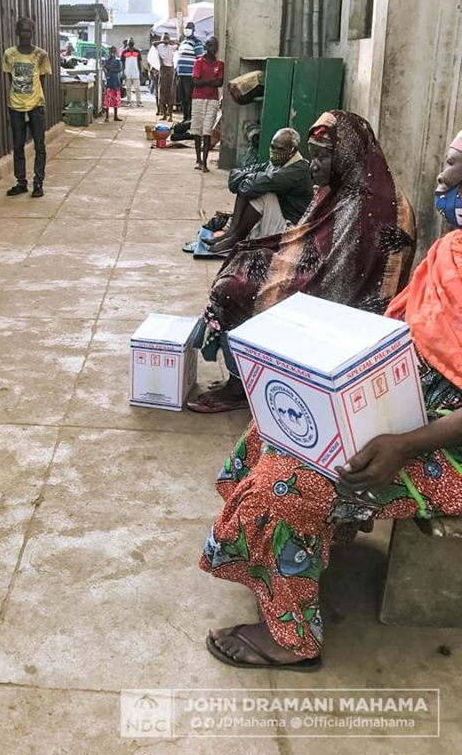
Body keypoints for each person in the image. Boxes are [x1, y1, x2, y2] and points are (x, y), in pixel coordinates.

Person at [201, 129, 462, 671]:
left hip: (444, 443)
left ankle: (292, 639)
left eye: (457, 167)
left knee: (291, 482)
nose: (443, 178)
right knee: (277, 425)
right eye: (446, 161)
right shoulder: (452, 250)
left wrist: (403, 442)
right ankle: (309, 546)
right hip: (411, 404)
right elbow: (404, 328)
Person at [187, 110, 416, 413]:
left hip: (344, 304)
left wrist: (280, 275)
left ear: (347, 155)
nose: (314, 165)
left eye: (323, 156)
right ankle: (243, 373)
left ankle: (240, 386)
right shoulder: (340, 189)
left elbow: (340, 280)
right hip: (319, 275)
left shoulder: (372, 205)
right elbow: (308, 239)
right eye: (313, 155)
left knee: (234, 290)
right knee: (243, 257)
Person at [203, 127, 313, 252]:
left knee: (262, 193)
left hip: (292, 230)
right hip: (278, 220)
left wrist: (248, 178)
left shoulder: (298, 170)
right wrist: (249, 178)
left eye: (280, 149)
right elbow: (234, 177)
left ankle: (235, 237)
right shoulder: (277, 162)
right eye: (273, 147)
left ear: (293, 150)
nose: (275, 152)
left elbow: (253, 185)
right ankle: (231, 233)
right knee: (250, 186)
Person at [3, 17, 52, 198]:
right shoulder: (9, 54)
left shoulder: (41, 55)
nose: (25, 34)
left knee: (39, 145)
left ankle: (38, 182)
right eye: (22, 30)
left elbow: (42, 80)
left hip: (36, 106)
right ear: (17, 32)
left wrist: (35, 99)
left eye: (28, 31)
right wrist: (19, 97)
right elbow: (11, 79)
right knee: (18, 145)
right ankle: (21, 182)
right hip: (15, 105)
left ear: (33, 32)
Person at [190, 36, 224, 172]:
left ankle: (204, 162)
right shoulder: (198, 62)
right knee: (197, 130)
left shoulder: (219, 64)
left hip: (212, 100)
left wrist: (204, 81)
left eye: (215, 46)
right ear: (205, 47)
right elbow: (195, 82)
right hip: (198, 99)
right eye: (210, 45)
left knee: (207, 130)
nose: (213, 48)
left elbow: (219, 82)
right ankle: (198, 159)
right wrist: (211, 81)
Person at [175, 21, 204, 120]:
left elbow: (199, 58)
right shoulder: (183, 42)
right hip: (180, 74)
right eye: (186, 28)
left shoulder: (197, 42)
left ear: (193, 30)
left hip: (189, 74)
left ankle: (190, 118)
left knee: (189, 97)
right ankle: (185, 117)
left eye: (189, 28)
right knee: (182, 97)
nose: (187, 30)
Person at [157, 32, 176, 120]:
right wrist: (162, 41)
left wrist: (170, 41)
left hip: (170, 70)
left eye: (167, 38)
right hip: (162, 69)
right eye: (164, 38)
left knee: (170, 93)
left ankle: (170, 115)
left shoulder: (172, 47)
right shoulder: (159, 46)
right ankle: (164, 114)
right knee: (162, 93)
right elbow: (154, 43)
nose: (165, 40)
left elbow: (179, 44)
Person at [102, 45, 123, 122]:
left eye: (114, 52)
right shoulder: (107, 61)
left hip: (116, 82)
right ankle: (107, 116)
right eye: (111, 52)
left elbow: (119, 69)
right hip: (109, 83)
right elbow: (106, 67)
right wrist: (111, 68)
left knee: (116, 101)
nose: (112, 53)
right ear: (109, 52)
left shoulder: (117, 61)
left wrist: (111, 69)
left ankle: (115, 116)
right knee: (107, 100)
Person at [120, 37, 143, 108]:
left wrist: (140, 72)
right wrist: (123, 72)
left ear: (134, 43)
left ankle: (138, 102)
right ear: (127, 43)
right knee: (128, 88)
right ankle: (128, 102)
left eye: (132, 41)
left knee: (137, 88)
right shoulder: (124, 52)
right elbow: (122, 63)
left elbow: (139, 63)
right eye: (130, 42)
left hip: (136, 73)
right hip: (127, 73)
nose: (131, 43)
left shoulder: (137, 51)